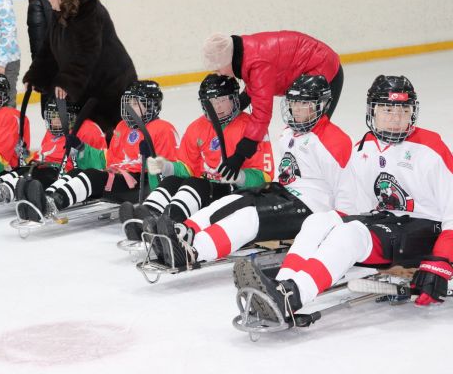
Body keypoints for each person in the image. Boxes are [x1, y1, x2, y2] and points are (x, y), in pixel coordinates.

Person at [234, 75, 453, 322]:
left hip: (425, 230)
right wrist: (329, 224)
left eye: (403, 109)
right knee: (318, 222)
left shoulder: (431, 149)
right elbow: (358, 205)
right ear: (373, 111)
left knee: (350, 235)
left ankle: (291, 297)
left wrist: (441, 261)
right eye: (387, 108)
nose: (395, 116)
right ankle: (283, 284)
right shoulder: (364, 148)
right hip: (388, 223)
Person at [149, 75, 351, 271]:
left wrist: (340, 224)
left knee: (248, 217)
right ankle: (185, 231)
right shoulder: (288, 133)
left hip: (312, 206)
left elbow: (347, 187)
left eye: (304, 104)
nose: (296, 109)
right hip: (284, 191)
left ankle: (193, 252)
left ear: (322, 105)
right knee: (234, 199)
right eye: (294, 102)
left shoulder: (334, 140)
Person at [119, 74, 275, 241]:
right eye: (211, 102)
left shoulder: (251, 129)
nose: (217, 106)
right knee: (173, 181)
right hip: (203, 191)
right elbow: (187, 168)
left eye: (222, 100)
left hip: (233, 193)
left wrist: (240, 176)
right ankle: (146, 217)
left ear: (235, 98)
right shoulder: (196, 128)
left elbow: (264, 178)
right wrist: (166, 167)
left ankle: (170, 222)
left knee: (196, 182)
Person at [18, 80, 178, 222]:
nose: (130, 107)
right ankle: (45, 198)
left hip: (139, 184)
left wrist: (151, 159)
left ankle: (53, 204)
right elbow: (108, 160)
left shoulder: (163, 129)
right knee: (77, 172)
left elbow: (169, 173)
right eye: (128, 102)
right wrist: (81, 148)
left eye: (136, 103)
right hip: (118, 176)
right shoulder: (122, 127)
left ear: (151, 105)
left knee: (93, 176)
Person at [202, 31, 343, 184]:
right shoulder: (244, 52)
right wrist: (242, 101)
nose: (219, 73)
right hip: (312, 64)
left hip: (323, 69)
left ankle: (323, 180)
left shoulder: (257, 63)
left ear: (228, 61)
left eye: (218, 68)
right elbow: (260, 79)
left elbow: (261, 114)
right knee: (302, 130)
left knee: (312, 131)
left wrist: (240, 155)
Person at [22, 0, 137, 136]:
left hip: (111, 85)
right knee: (87, 137)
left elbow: (87, 52)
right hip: (89, 86)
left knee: (115, 136)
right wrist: (36, 75)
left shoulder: (90, 12)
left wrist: (67, 80)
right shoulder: (61, 11)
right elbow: (50, 47)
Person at [0, 96, 107, 207]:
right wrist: (29, 158)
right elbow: (44, 153)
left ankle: (11, 192)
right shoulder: (51, 132)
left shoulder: (88, 130)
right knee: (27, 169)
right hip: (47, 167)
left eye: (60, 116)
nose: (56, 121)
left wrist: (80, 151)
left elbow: (99, 163)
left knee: (41, 176)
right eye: (53, 117)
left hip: (63, 172)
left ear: (72, 116)